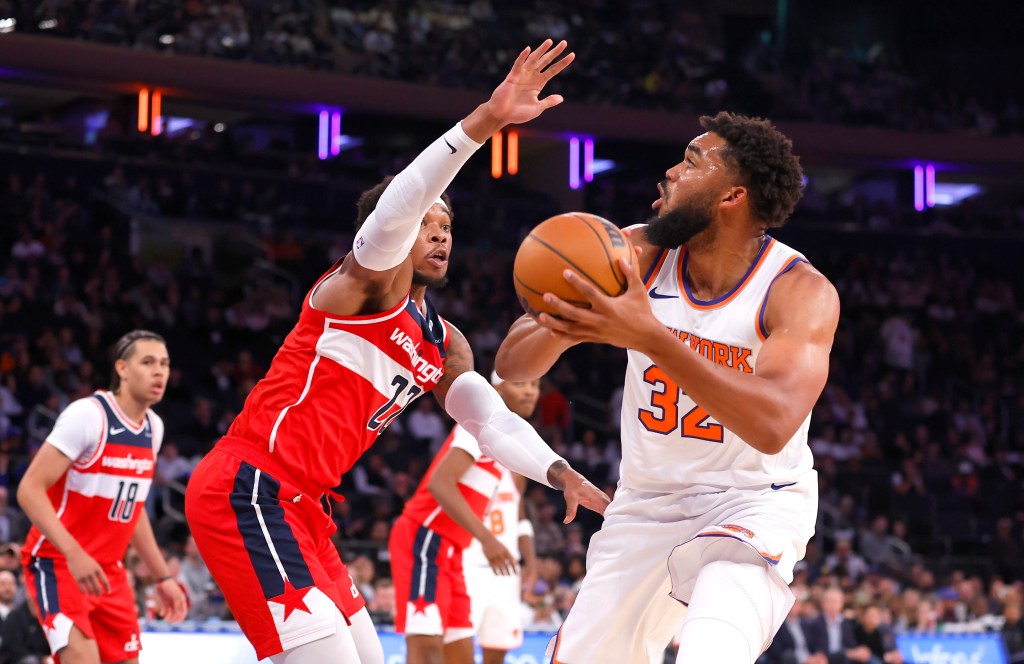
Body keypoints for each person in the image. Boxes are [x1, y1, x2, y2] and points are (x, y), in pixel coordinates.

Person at [184, 39, 608, 664]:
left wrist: (557, 470)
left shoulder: (444, 340)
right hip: (251, 487)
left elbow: (487, 420)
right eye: (428, 226)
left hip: (308, 510)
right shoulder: (360, 286)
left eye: (449, 229)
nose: (440, 236)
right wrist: (487, 121)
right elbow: (398, 206)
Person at [495, 111, 840, 663]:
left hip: (755, 498)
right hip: (647, 502)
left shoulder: (797, 291)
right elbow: (513, 364)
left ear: (732, 196)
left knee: (712, 646)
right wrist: (564, 318)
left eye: (691, 161)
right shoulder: (636, 254)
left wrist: (651, 336)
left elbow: (774, 425)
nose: (670, 172)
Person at [17, 330, 188, 664]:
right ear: (122, 369)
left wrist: (162, 576)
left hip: (108, 572)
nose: (159, 372)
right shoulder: (88, 415)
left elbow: (132, 509)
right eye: (148, 362)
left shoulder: (154, 428)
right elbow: (29, 489)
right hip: (58, 563)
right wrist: (74, 553)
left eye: (165, 364)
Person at [389, 372, 539, 664]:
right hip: (425, 536)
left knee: (460, 655)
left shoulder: (509, 440)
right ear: (497, 387)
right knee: (427, 649)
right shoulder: (478, 424)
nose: (530, 392)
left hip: (453, 549)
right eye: (520, 382)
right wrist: (487, 539)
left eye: (535, 385)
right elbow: (439, 483)